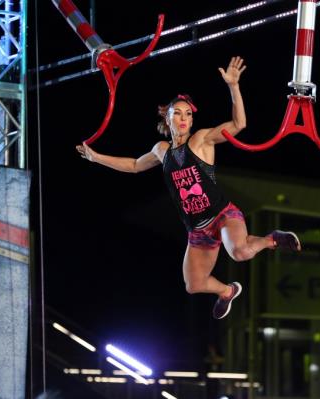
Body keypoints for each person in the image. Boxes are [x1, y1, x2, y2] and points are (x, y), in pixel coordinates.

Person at [76, 56, 301, 319]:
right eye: (177, 114)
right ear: (167, 119)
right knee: (193, 285)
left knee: (239, 251)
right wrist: (96, 157)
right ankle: (227, 292)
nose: (183, 118)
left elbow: (239, 125)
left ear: (192, 121)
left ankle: (272, 239)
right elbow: (134, 165)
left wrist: (233, 86)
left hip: (222, 215)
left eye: (188, 114)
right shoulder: (162, 150)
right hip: (197, 230)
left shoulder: (201, 140)